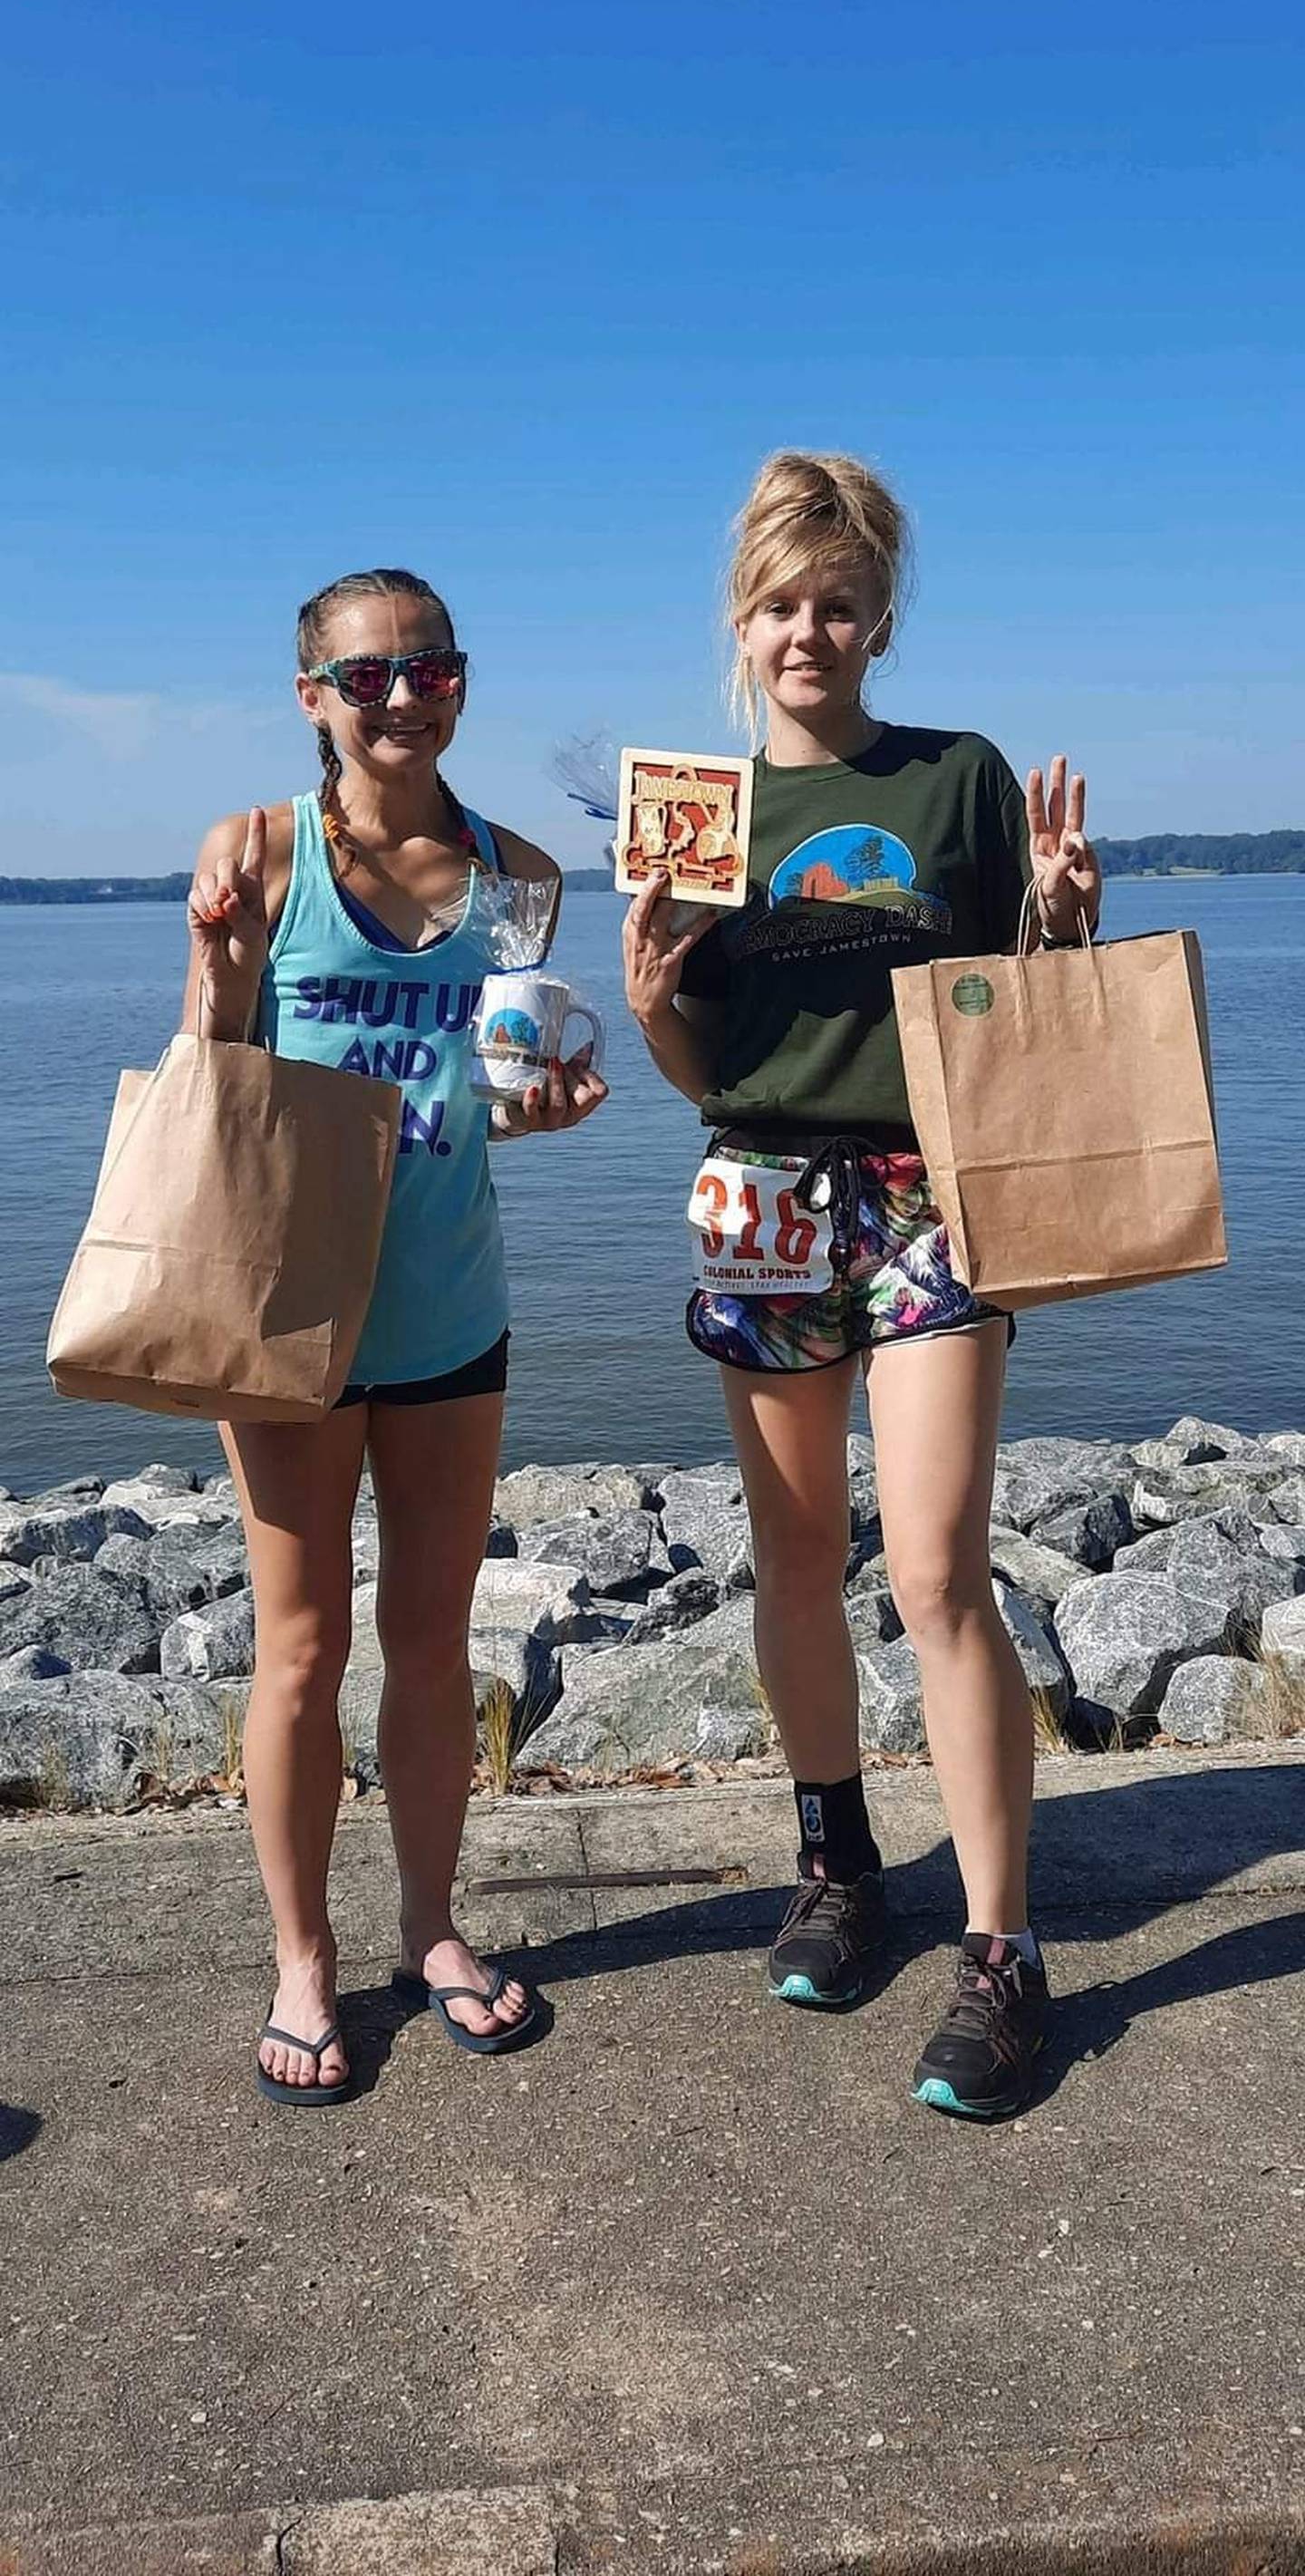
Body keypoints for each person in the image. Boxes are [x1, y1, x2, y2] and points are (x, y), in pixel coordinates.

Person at [622, 454, 1101, 2120]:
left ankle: (1004, 1951)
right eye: (778, 604)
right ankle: (838, 1854)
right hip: (756, 1184)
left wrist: (1060, 922)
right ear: (741, 624)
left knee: (940, 1563)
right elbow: (704, 1063)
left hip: (925, 1189)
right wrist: (650, 998)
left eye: (835, 601)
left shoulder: (953, 780)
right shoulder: (693, 807)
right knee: (792, 1552)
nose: (805, 629)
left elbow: (1020, 1015)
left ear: (878, 615)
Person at [184, 567, 606, 2105]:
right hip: (289, 1313)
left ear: (461, 680)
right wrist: (226, 978)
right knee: (302, 1646)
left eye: (429, 666)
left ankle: (431, 1926)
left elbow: (498, 1095)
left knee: (431, 1643)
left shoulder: (520, 876)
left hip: (451, 1303)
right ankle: (304, 1957)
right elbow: (206, 1089)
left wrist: (551, 1102)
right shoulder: (263, 850)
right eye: (366, 676)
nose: (403, 694)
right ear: (313, 699)